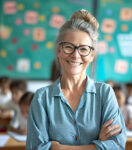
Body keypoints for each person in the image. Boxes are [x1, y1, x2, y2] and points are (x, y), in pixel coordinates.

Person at [26, 9, 126, 150]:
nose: (75, 55)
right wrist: (97, 144)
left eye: (84, 49)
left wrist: (60, 148)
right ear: (59, 51)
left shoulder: (105, 93)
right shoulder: (42, 98)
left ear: (92, 55)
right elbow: (36, 148)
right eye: (68, 47)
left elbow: (117, 145)